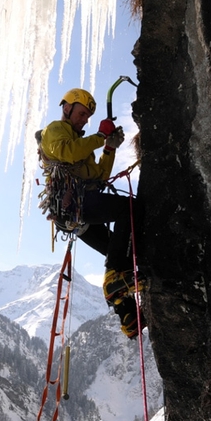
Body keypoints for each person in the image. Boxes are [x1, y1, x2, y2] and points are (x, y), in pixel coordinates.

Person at [36, 88, 146, 338]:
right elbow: (69, 152)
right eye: (82, 113)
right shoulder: (55, 131)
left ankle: (127, 314)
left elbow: (99, 176)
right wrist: (100, 136)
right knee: (131, 209)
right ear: (67, 108)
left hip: (77, 210)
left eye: (87, 116)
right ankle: (116, 282)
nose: (84, 119)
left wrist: (108, 148)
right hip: (76, 204)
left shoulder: (82, 145)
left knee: (118, 249)